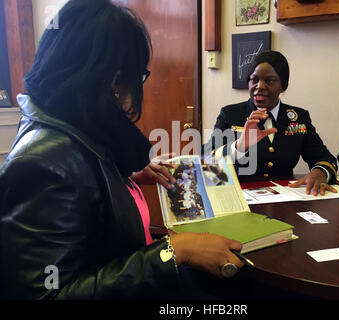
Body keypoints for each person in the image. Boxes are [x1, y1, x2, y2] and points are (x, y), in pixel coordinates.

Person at [0, 0, 244, 300]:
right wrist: (172, 252)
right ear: (115, 80)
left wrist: (121, 178)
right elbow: (47, 295)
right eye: (138, 76)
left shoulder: (78, 127)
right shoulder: (44, 164)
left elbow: (88, 202)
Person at [203, 51, 338, 196]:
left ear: (283, 85)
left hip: (286, 200)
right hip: (240, 198)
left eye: (269, 81)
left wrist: (319, 172)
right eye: (254, 80)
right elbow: (206, 158)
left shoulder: (299, 118)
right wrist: (239, 146)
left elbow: (324, 158)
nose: (260, 86)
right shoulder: (231, 114)